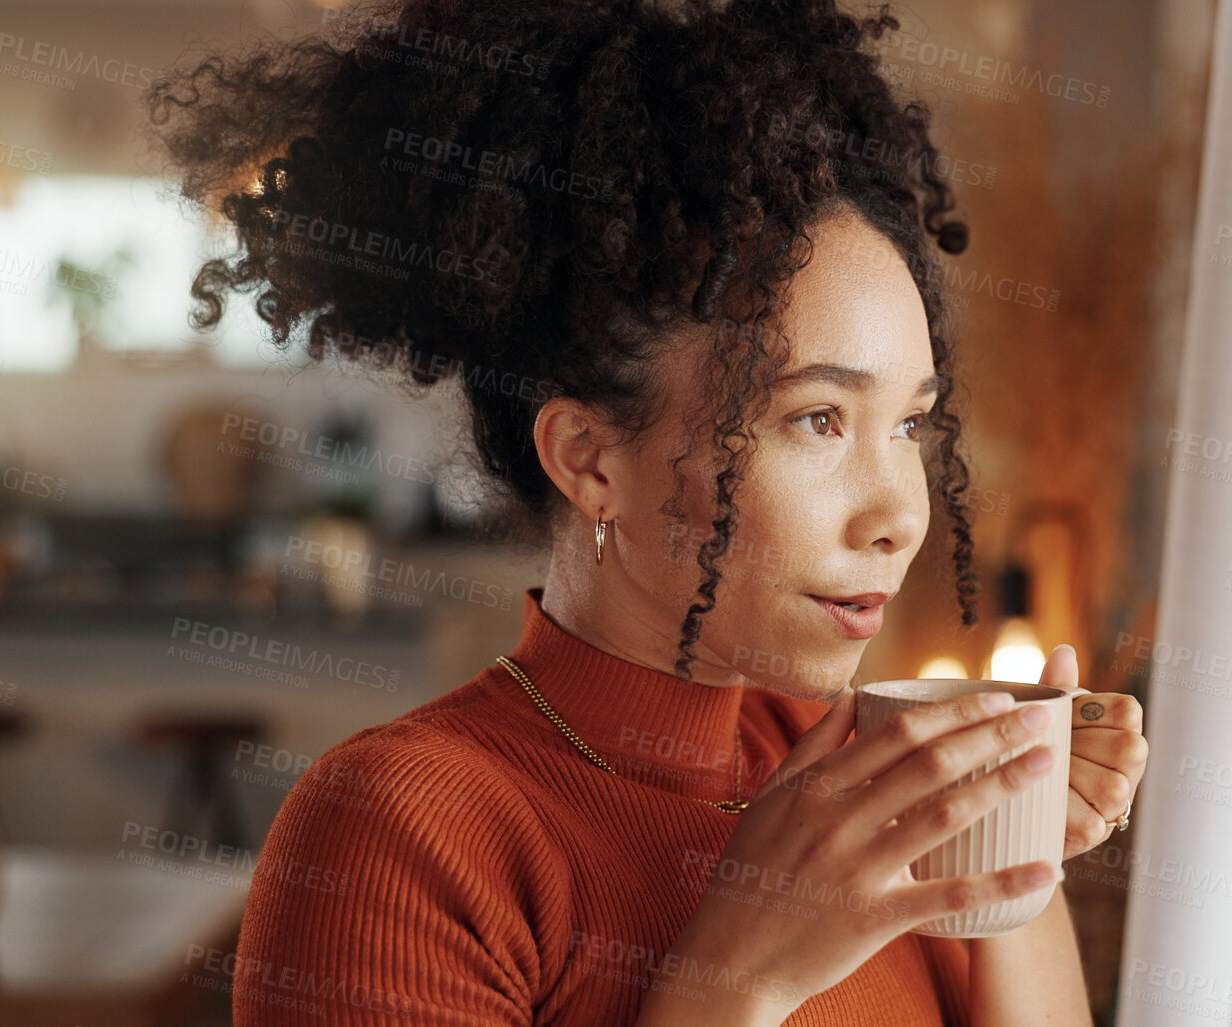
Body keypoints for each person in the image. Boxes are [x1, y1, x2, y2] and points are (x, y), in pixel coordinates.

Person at [144, 0, 1148, 1023]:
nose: (897, 515)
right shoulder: (403, 829)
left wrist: (1008, 844)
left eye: (909, 427)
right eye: (817, 420)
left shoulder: (863, 783)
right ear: (590, 460)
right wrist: (740, 979)